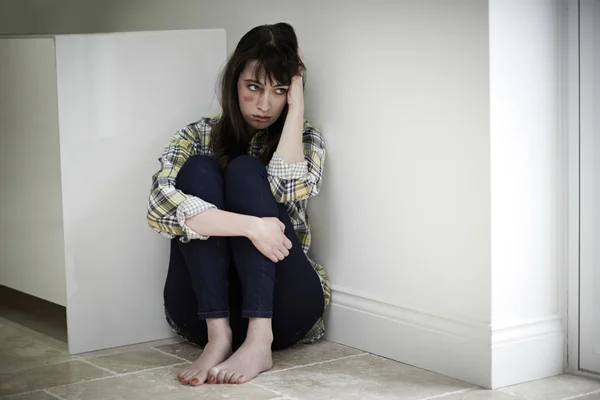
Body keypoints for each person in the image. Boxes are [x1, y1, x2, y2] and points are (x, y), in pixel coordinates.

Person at [146, 22, 330, 386]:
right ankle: (219, 339)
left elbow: (290, 188)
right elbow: (159, 207)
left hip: (284, 309)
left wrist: (296, 109)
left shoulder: (303, 138)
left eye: (279, 91)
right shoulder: (195, 135)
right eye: (253, 87)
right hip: (202, 312)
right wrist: (251, 227)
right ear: (234, 82)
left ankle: (259, 341)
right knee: (199, 169)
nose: (265, 105)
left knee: (247, 171)